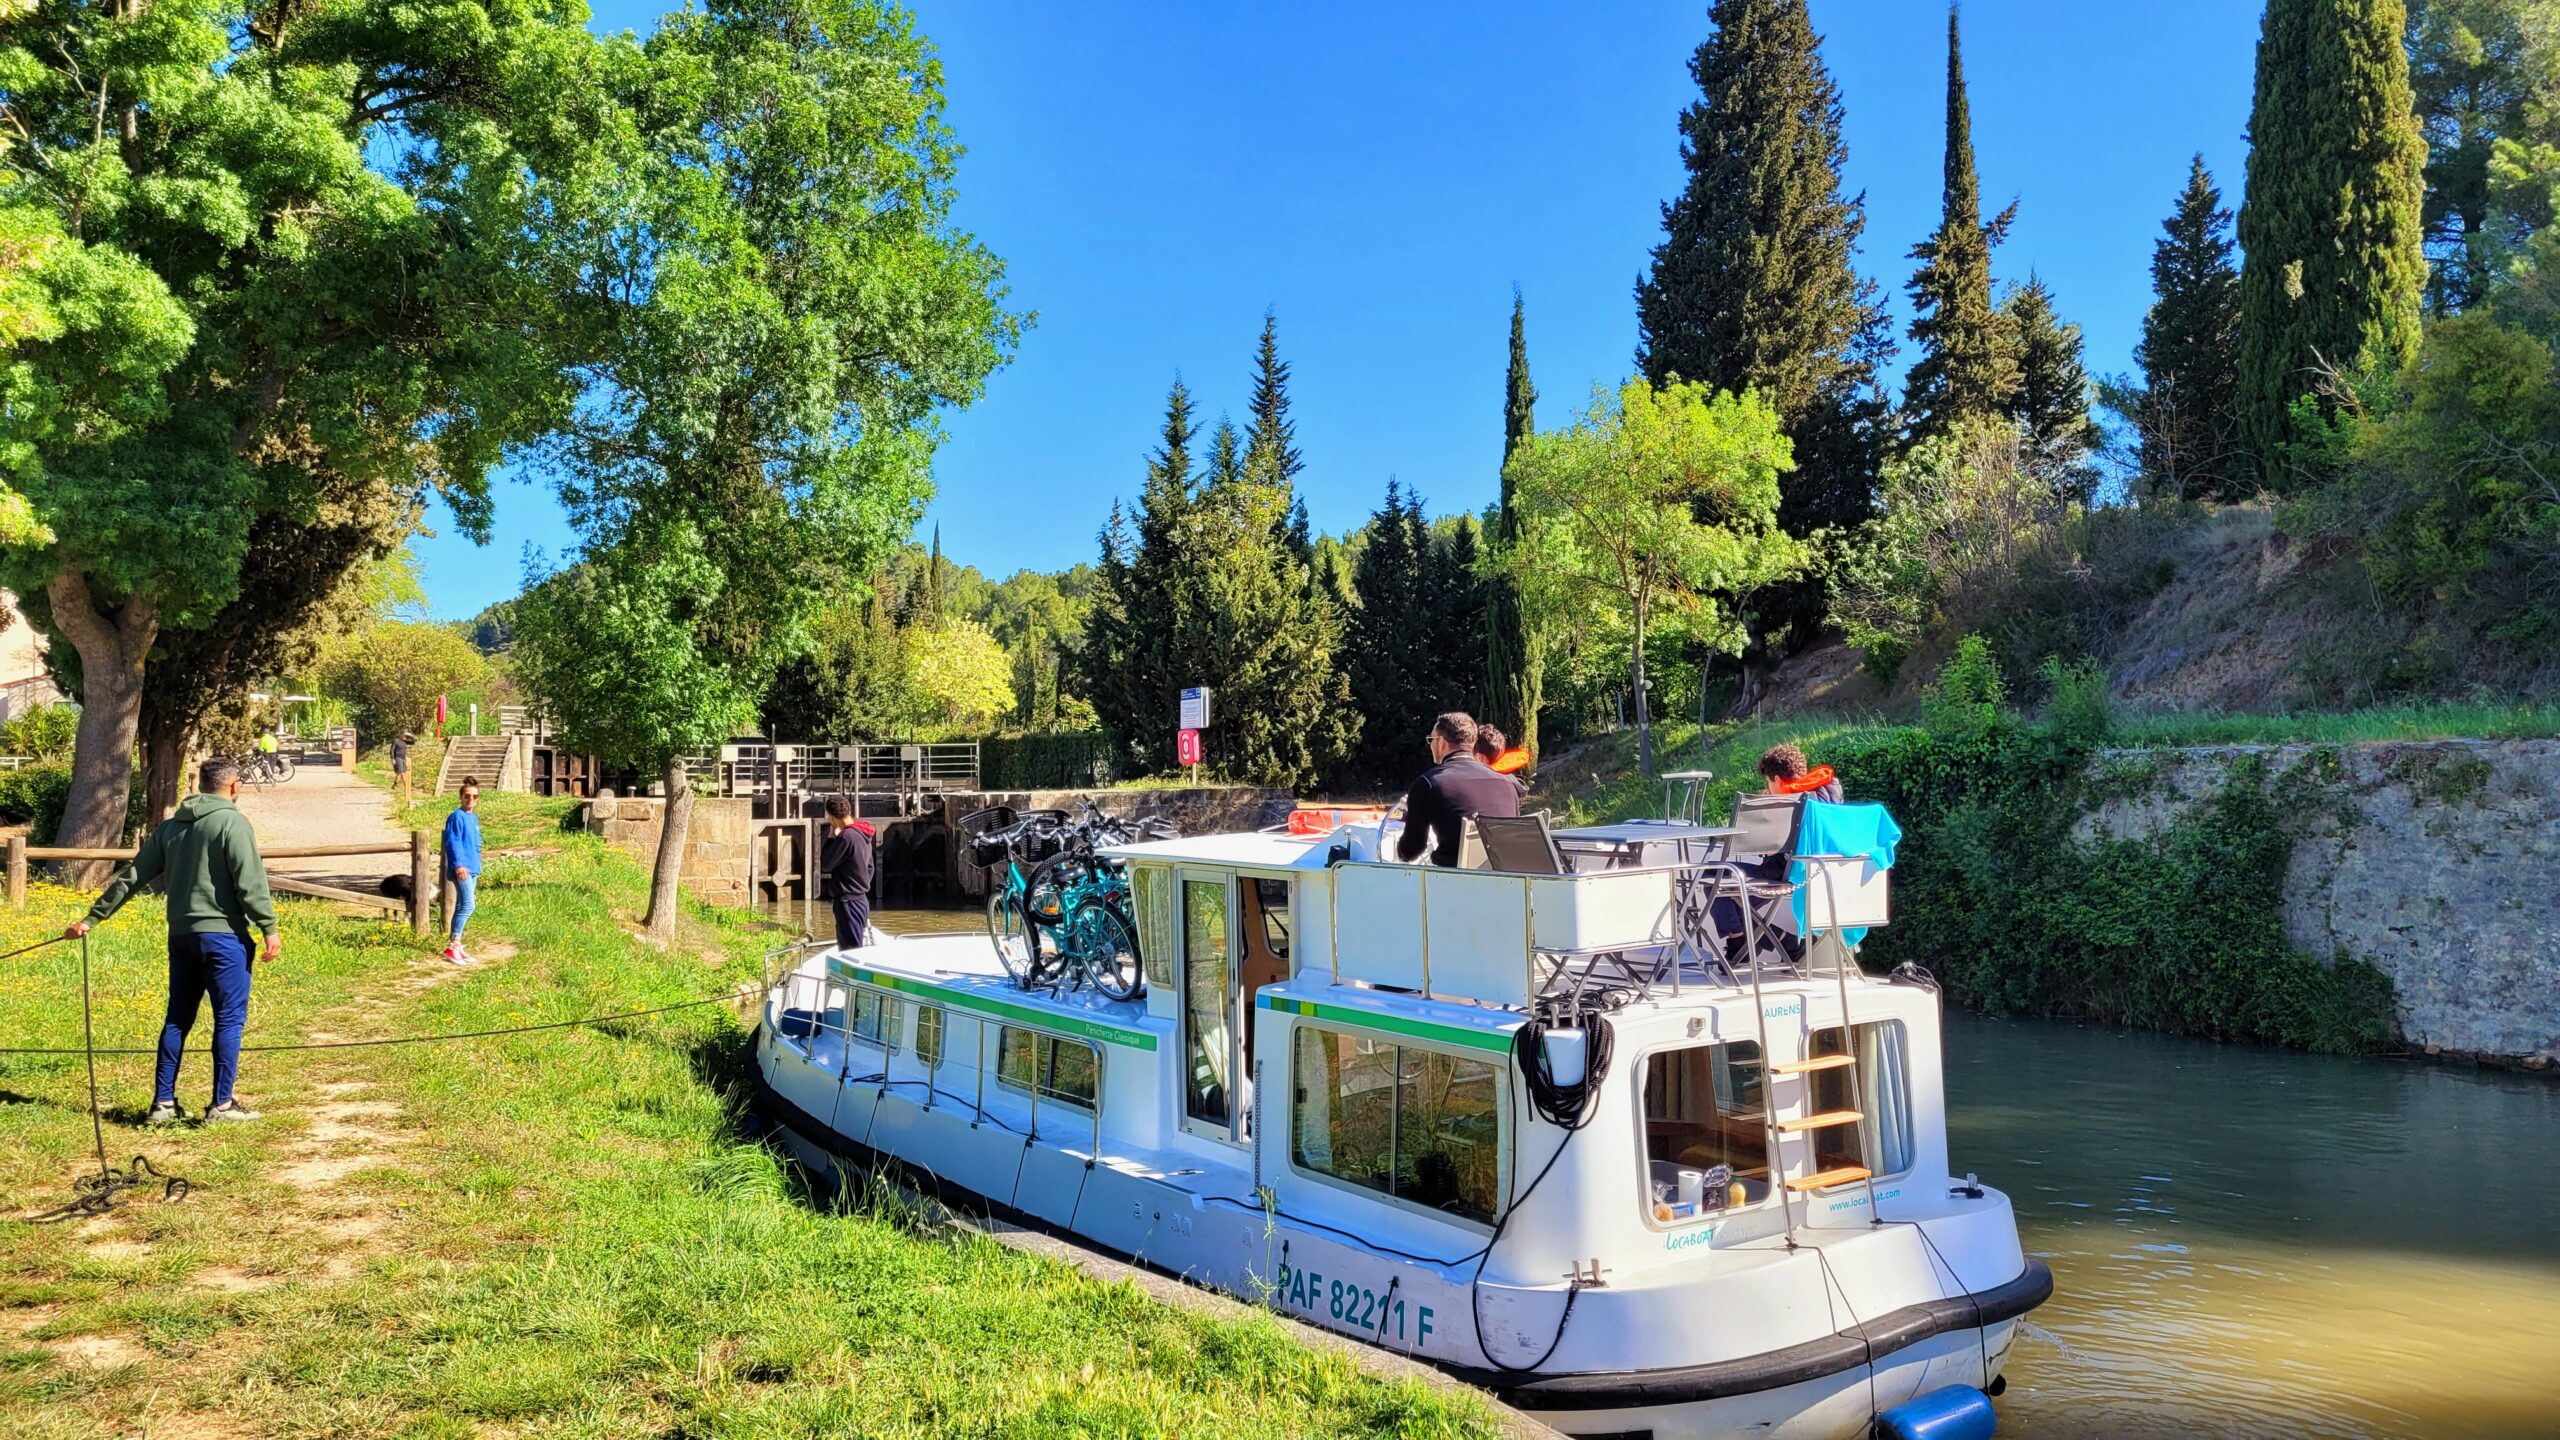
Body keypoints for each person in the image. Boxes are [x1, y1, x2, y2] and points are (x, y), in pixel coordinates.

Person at [65, 757, 280, 1124]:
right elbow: (250, 881)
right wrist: (268, 926)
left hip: (182, 936)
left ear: (200, 785)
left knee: (178, 1018)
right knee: (228, 1019)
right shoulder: (232, 822)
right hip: (224, 937)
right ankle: (221, 1106)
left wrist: (92, 918)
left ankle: (162, 1104)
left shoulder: (170, 827)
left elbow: (131, 877)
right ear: (234, 787)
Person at [1396, 712, 1520, 867]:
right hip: (1505, 876)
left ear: (1441, 742)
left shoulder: (1428, 783)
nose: (1431, 746)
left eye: (1431, 740)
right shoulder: (1507, 782)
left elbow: (1412, 850)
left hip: (1453, 880)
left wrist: (1398, 850)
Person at [819, 794, 876, 950]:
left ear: (832, 817)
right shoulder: (863, 834)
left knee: (850, 948)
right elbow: (870, 867)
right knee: (856, 944)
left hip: (848, 901)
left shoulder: (847, 837)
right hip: (861, 899)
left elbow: (826, 864)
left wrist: (831, 835)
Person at [442, 777, 482, 965]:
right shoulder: (456, 817)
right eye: (467, 796)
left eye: (474, 796)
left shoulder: (473, 818)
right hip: (463, 868)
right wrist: (458, 865)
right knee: (468, 905)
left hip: (473, 867)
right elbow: (452, 842)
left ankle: (457, 945)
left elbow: (475, 843)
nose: (470, 799)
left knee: (461, 905)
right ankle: (453, 944)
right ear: (461, 796)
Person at [1757, 743, 1842, 805]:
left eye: (1768, 781)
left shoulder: (1789, 807)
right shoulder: (1834, 792)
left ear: (1777, 780)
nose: (1768, 788)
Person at [391, 731, 413, 807]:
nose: (404, 737)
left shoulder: (405, 742)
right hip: (398, 757)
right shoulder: (396, 741)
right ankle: (396, 784)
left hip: (403, 758)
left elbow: (414, 742)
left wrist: (411, 735)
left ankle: (402, 786)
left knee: (403, 772)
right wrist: (392, 759)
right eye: (403, 735)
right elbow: (392, 750)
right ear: (400, 735)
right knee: (400, 770)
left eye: (405, 736)